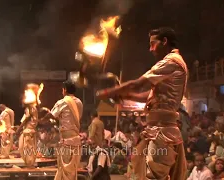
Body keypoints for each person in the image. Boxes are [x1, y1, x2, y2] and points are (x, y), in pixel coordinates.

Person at [96, 27, 187, 180]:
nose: (150, 49)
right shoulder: (171, 64)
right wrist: (127, 95)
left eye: (153, 43)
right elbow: (150, 96)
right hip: (158, 130)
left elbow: (138, 83)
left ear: (164, 42)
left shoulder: (170, 61)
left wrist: (109, 92)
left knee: (153, 176)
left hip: (162, 132)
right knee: (143, 171)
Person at [41, 81, 83, 180]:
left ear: (64, 90)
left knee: (64, 170)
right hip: (76, 141)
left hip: (67, 142)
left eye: (62, 89)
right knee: (71, 171)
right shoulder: (79, 102)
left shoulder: (63, 102)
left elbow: (51, 115)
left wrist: (42, 119)